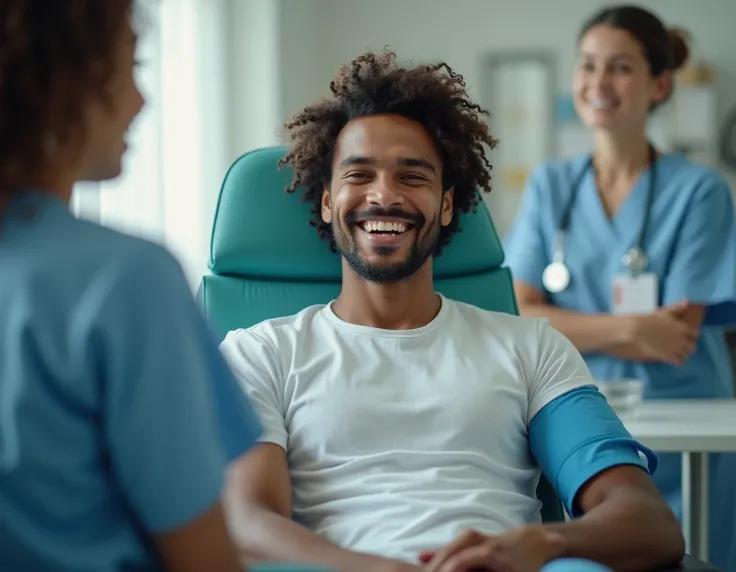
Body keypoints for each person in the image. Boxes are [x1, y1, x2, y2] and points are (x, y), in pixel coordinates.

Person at [220, 50, 685, 572]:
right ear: (327, 202)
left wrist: (545, 544)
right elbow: (247, 525)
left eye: (412, 177)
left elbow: (647, 519)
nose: (384, 195)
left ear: (446, 204)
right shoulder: (260, 353)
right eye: (359, 174)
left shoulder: (532, 349)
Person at [0, 2, 263, 571]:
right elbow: (204, 557)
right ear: (57, 81)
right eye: (129, 68)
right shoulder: (123, 281)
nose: (140, 101)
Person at [503, 5, 736, 572]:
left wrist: (559, 324)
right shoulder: (551, 184)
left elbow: (677, 337)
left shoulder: (700, 191)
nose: (599, 84)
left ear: (659, 84)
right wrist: (634, 329)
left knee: (699, 556)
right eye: (587, 66)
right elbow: (516, 314)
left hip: (689, 426)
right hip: (578, 418)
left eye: (621, 68)